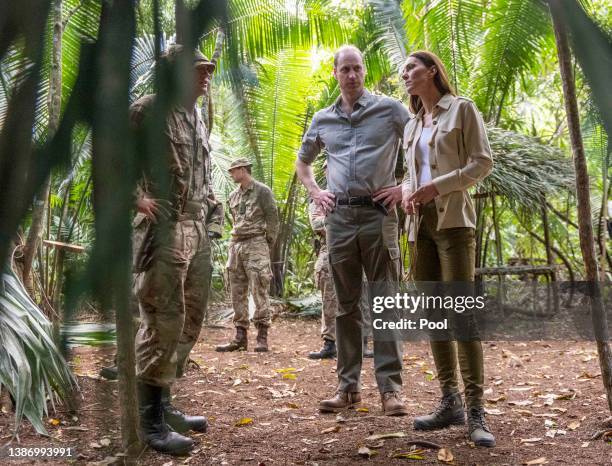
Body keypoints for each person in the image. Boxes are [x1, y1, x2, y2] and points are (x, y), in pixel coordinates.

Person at [296, 45, 410, 416]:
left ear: (364, 70)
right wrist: (316, 192)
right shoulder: (322, 119)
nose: (352, 75)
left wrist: (404, 187)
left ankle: (390, 390)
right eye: (345, 69)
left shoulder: (391, 109)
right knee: (346, 307)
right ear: (335, 73)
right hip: (339, 218)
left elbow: (423, 145)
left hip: (379, 215)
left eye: (357, 68)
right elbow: (303, 162)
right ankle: (347, 388)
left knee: (384, 303)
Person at [130, 44, 222, 456]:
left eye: (207, 70)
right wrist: (138, 200)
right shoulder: (146, 110)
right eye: (198, 70)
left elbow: (200, 172)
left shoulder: (195, 115)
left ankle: (163, 403)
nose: (206, 76)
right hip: (163, 231)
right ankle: (146, 419)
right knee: (163, 321)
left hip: (196, 229)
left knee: (190, 319)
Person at [400, 50, 495, 447]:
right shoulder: (411, 124)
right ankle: (449, 401)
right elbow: (410, 175)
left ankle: (476, 410)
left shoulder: (462, 110)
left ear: (432, 71)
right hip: (418, 226)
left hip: (454, 224)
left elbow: (482, 163)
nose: (405, 74)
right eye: (403, 70)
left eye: (412, 68)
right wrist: (408, 194)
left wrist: (436, 187)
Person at [308, 161, 373, 360]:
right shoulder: (320, 197)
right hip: (330, 252)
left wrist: (340, 220)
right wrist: (343, 222)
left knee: (362, 298)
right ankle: (330, 343)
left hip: (356, 250)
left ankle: (363, 343)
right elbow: (317, 223)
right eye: (328, 168)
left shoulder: (358, 195)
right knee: (330, 300)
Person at [215, 158, 279, 353]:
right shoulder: (233, 196)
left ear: (243, 170)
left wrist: (267, 242)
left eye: (234, 171)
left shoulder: (262, 191)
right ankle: (240, 336)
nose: (231, 174)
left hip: (256, 243)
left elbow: (273, 217)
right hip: (237, 245)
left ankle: (262, 336)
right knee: (237, 291)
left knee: (259, 289)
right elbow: (235, 220)